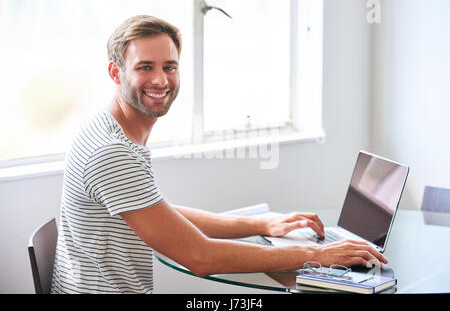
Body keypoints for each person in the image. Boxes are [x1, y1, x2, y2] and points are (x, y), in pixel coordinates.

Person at [51, 15, 388, 294]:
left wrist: (263, 224)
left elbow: (157, 213)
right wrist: (318, 255)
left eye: (170, 66)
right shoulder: (113, 153)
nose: (160, 79)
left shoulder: (105, 126)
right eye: (145, 67)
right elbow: (200, 257)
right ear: (116, 73)